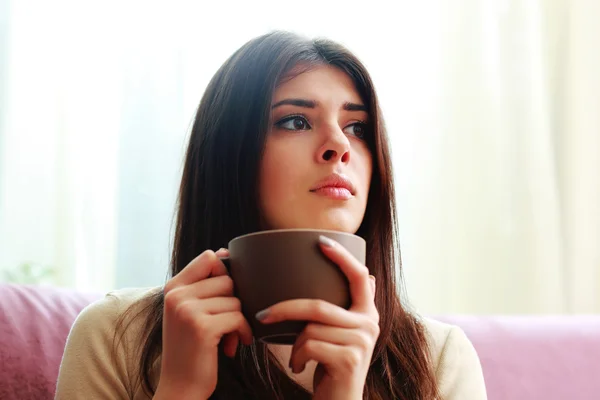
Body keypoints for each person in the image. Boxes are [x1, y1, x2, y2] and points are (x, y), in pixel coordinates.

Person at [54, 31, 487, 400]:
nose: (340, 145)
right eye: (296, 121)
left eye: (358, 127)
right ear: (229, 154)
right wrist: (180, 389)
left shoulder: (440, 358)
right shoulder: (114, 336)